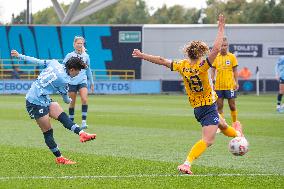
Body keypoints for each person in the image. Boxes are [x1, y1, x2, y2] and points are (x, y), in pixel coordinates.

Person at [132, 14, 243, 175]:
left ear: (188, 53)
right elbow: (217, 48)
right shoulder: (204, 66)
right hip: (208, 106)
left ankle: (239, 134)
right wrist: (221, 28)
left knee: (224, 126)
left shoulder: (182, 65)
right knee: (208, 140)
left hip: (197, 108)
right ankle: (187, 164)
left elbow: (162, 60)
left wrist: (142, 55)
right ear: (200, 54)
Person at [11, 50, 96, 165]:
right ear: (72, 69)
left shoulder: (54, 62)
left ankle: (82, 134)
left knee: (62, 115)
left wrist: (20, 56)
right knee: (48, 131)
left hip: (44, 97)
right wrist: (70, 99)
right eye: (78, 70)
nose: (78, 73)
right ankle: (59, 158)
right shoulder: (64, 80)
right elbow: (66, 99)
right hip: (34, 102)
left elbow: (37, 61)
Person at [63, 36, 94, 129]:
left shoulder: (86, 56)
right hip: (72, 82)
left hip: (82, 81)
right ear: (74, 44)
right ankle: (71, 122)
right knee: (72, 103)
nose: (80, 45)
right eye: (78, 43)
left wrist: (92, 82)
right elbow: (63, 67)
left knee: (84, 99)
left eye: (81, 43)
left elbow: (88, 70)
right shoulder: (69, 55)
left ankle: (84, 122)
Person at [211, 37, 240, 125]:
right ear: (219, 47)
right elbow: (212, 69)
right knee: (219, 106)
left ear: (227, 46)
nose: (223, 47)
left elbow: (235, 70)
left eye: (225, 45)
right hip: (218, 86)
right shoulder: (216, 57)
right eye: (222, 45)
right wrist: (212, 80)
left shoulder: (232, 57)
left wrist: (236, 82)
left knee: (232, 106)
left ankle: (235, 123)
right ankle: (223, 125)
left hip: (229, 85)